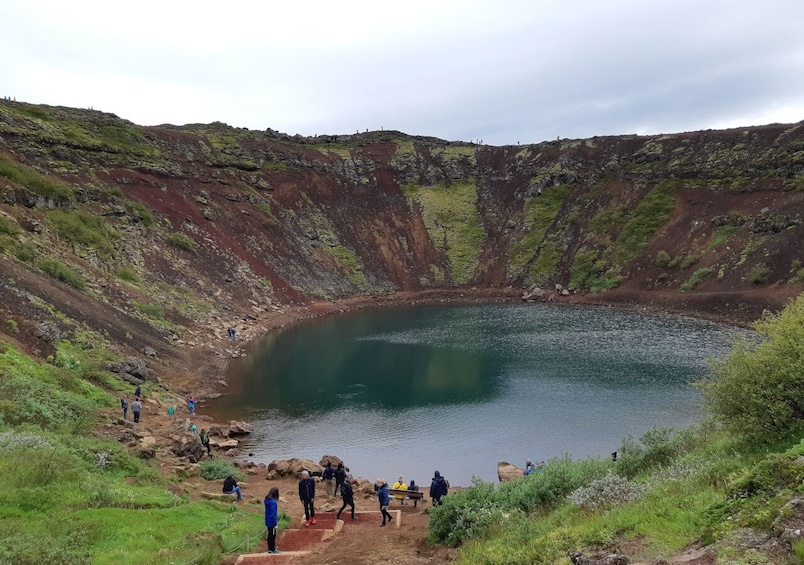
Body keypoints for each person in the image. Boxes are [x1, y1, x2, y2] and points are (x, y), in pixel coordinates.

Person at [264, 487, 280, 554]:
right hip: (272, 521)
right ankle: (272, 549)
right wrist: (275, 523)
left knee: (270, 534)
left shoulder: (266, 500)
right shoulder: (273, 502)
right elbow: (273, 514)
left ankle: (270, 549)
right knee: (273, 535)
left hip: (267, 520)